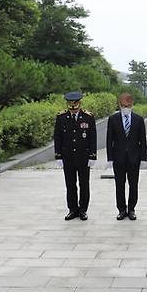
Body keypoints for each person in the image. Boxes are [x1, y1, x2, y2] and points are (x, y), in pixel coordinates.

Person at [54, 91, 97, 221]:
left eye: (75, 106)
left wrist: (92, 156)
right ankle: (72, 209)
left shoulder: (88, 117)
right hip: (68, 157)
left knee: (84, 184)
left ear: (79, 104)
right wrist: (58, 156)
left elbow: (92, 137)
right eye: (70, 106)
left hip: (83, 157)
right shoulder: (61, 117)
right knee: (70, 184)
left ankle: (83, 209)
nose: (73, 109)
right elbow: (57, 137)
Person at [106, 92, 147, 220]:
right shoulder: (113, 119)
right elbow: (109, 140)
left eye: (128, 106)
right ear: (119, 105)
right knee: (120, 185)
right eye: (123, 106)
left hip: (134, 158)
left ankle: (132, 209)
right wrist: (110, 158)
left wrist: (143, 158)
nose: (125, 108)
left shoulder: (139, 119)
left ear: (132, 105)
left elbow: (143, 140)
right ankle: (121, 209)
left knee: (133, 185)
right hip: (119, 158)